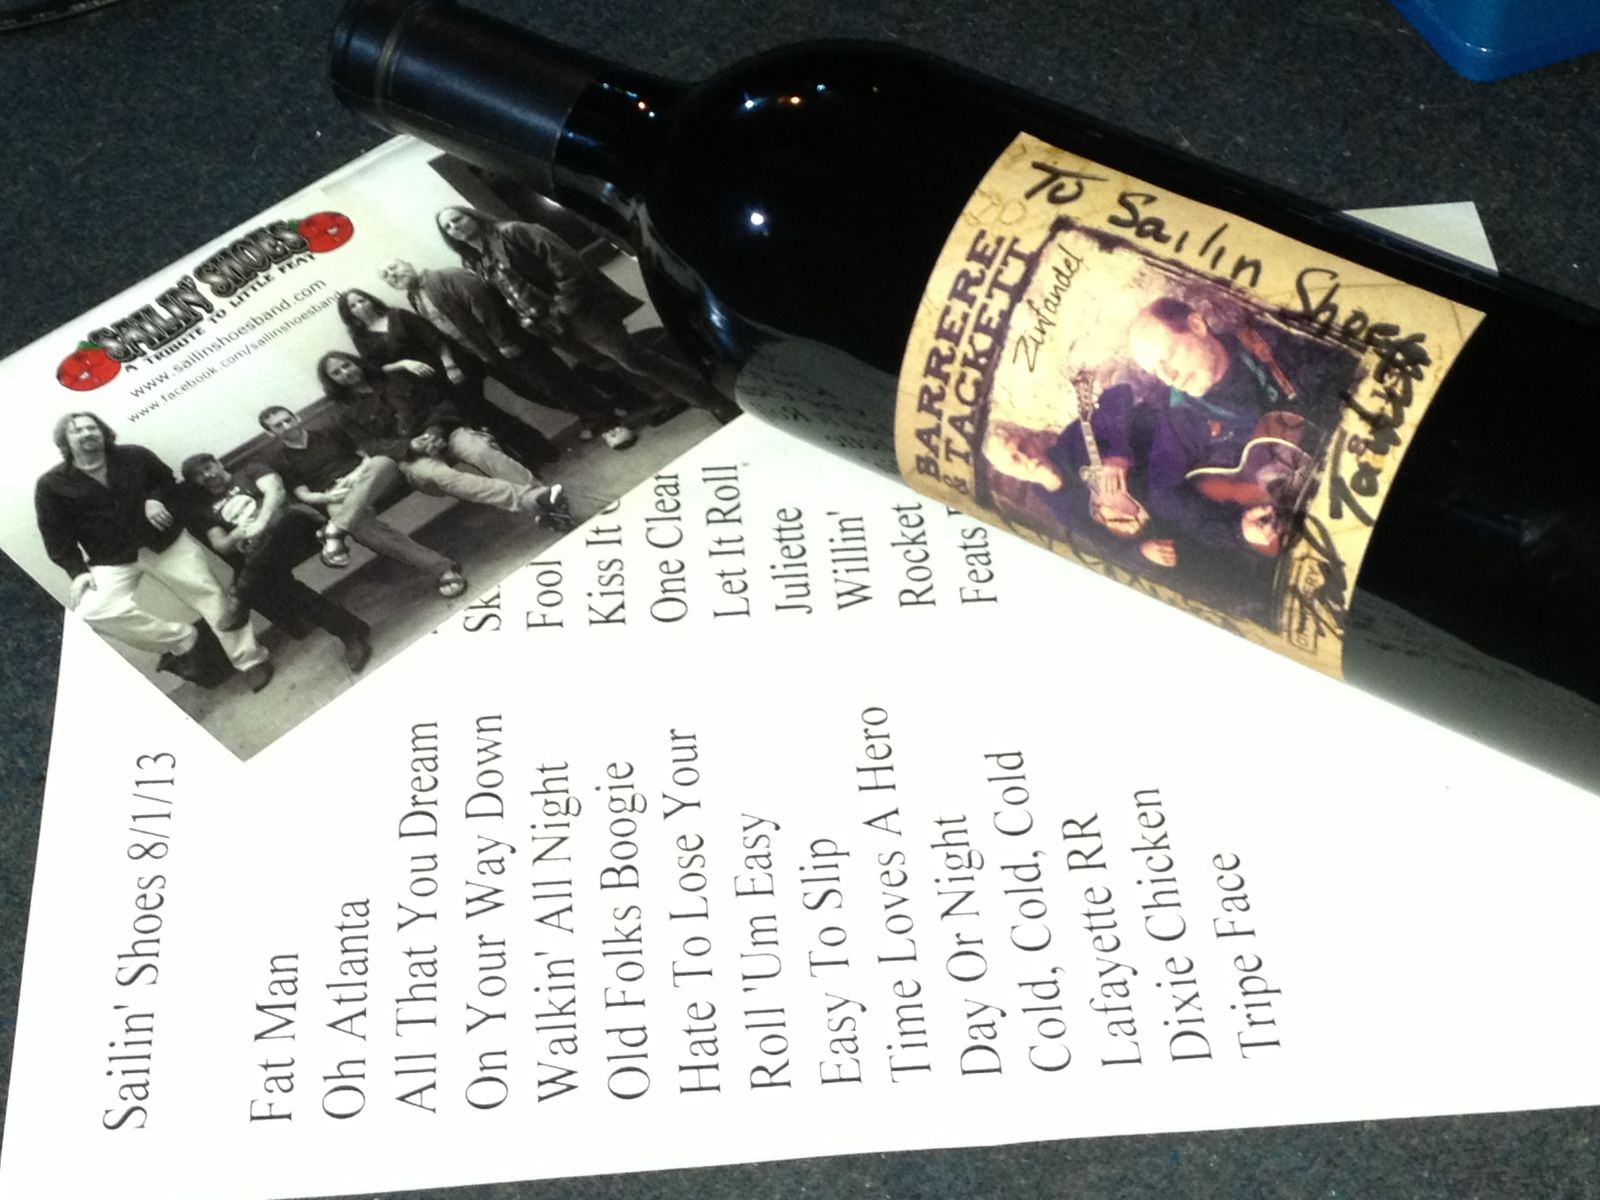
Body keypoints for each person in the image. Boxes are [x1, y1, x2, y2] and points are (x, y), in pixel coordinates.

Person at [34, 412, 273, 690]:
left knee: (210, 595)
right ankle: (182, 639)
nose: (87, 433)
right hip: (113, 558)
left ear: (102, 431)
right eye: (77, 430)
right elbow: (55, 534)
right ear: (65, 440)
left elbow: (168, 483)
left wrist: (154, 499)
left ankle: (251, 661)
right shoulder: (51, 485)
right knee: (93, 610)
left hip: (165, 542)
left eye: (92, 427)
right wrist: (77, 572)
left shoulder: (134, 455)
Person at [435, 205, 739, 421]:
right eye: (447, 228)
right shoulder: (475, 262)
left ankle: (714, 399)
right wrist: (527, 320)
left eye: (456, 219)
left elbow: (567, 264)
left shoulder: (513, 232)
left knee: (631, 357)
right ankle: (669, 399)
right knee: (609, 365)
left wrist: (564, 306)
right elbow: (507, 293)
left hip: (577, 312)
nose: (454, 228)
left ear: (470, 216)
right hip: (548, 326)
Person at [378, 257, 650, 447]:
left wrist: (504, 341)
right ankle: (596, 414)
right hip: (488, 356)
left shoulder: (446, 276)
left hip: (509, 345)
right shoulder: (414, 297)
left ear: (408, 264)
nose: (393, 275)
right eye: (387, 276)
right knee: (540, 390)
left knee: (557, 383)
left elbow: (485, 305)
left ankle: (610, 424)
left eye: (394, 267)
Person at [314, 350, 571, 526]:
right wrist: (410, 445)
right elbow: (371, 446)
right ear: (332, 381)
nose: (345, 372)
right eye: (337, 372)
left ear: (356, 362)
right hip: (410, 457)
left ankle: (544, 501)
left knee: (481, 450)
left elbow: (441, 404)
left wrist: (434, 432)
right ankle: (536, 499)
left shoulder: (395, 378)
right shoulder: (343, 412)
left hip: (444, 432)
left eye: (346, 365)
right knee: (444, 477)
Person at [178, 453, 372, 672]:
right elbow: (220, 544)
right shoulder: (205, 509)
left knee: (286, 519)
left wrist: (260, 524)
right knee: (275, 584)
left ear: (218, 463)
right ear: (196, 482)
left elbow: (276, 493)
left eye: (208, 467)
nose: (207, 475)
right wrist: (238, 535)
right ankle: (349, 633)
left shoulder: (250, 471)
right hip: (267, 553)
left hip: (300, 529)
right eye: (199, 475)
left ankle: (240, 594)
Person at [257, 405, 469, 598]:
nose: (286, 426)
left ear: (297, 417)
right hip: (336, 496)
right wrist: (327, 497)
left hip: (367, 478)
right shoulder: (279, 460)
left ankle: (335, 530)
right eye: (278, 426)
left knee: (383, 462)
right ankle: (443, 570)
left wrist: (356, 475)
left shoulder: (329, 432)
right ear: (270, 433)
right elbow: (304, 495)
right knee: (362, 529)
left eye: (288, 420)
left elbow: (367, 456)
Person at [336, 287, 561, 467]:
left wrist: (450, 365)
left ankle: (540, 451)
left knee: (484, 414)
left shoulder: (399, 316)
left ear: (371, 300)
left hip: (448, 371)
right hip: (421, 388)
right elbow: (377, 368)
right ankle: (519, 462)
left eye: (361, 300)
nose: (359, 307)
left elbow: (436, 340)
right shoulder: (361, 337)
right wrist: (404, 363)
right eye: (353, 306)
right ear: (349, 314)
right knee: (474, 424)